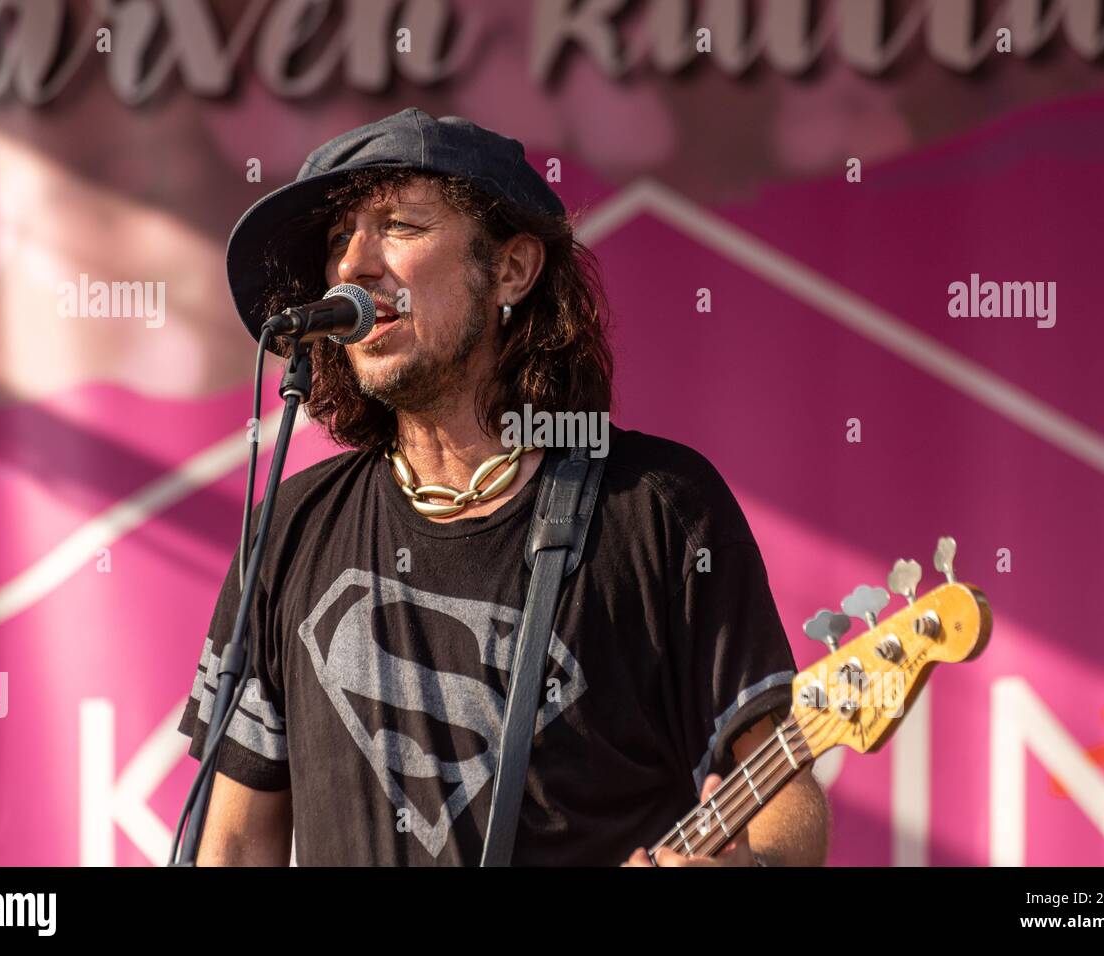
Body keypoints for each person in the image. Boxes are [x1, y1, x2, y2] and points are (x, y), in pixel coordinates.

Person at [177, 107, 830, 866]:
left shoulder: (659, 508)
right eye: (337, 239)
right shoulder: (292, 524)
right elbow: (233, 839)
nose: (352, 265)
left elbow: (787, 795)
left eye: (399, 225)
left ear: (512, 270)